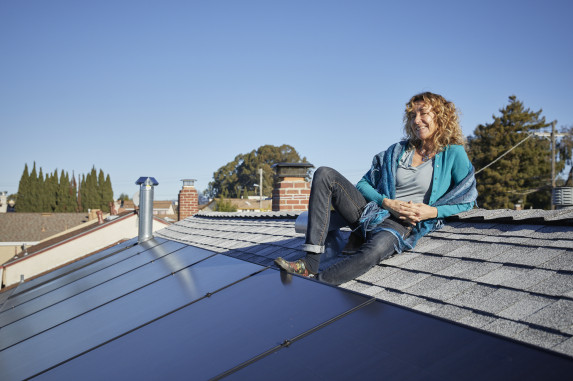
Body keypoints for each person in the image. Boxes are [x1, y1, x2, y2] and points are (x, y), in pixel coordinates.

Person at [275, 92, 478, 285]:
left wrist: (431, 211)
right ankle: (310, 263)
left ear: (441, 116)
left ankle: (318, 285)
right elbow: (363, 184)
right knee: (325, 174)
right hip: (371, 212)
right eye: (413, 115)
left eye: (423, 113)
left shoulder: (454, 153)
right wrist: (387, 202)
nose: (416, 120)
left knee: (375, 249)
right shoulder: (398, 151)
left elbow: (467, 199)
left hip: (401, 224)